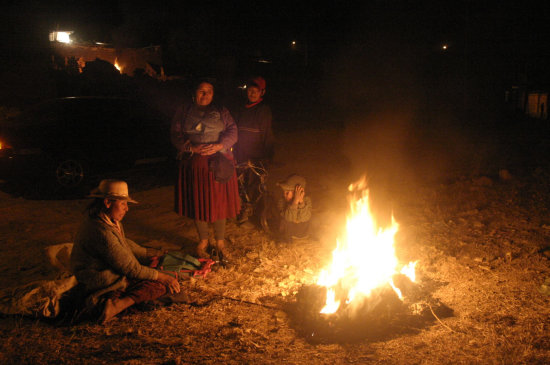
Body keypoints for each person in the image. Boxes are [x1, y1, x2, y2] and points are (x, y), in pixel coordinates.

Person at [70, 179, 180, 324]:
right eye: (123, 203)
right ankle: (117, 305)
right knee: (158, 285)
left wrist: (153, 253)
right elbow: (130, 268)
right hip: (99, 279)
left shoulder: (107, 220)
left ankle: (120, 302)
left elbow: (125, 245)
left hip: (108, 272)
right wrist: (164, 277)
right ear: (108, 202)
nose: (126, 208)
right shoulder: (100, 231)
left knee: (156, 278)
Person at [171, 79, 240, 263]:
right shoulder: (184, 111)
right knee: (198, 202)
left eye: (209, 91)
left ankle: (220, 243)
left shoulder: (221, 111)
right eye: (202, 91)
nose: (205, 95)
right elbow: (175, 135)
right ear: (194, 93)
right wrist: (191, 148)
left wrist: (219, 145)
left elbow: (233, 132)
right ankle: (203, 241)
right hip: (195, 165)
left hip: (219, 164)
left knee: (219, 203)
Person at [234, 76, 274, 164]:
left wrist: (268, 155)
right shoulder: (241, 108)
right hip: (240, 155)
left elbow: (267, 134)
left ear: (262, 92)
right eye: (250, 90)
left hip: (256, 157)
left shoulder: (263, 110)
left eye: (256, 91)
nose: (253, 94)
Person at [276, 174, 312, 241]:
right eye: (284, 192)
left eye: (287, 193)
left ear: (297, 192)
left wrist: (301, 202)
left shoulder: (306, 200)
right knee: (285, 220)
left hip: (303, 234)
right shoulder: (282, 201)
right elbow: (289, 218)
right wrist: (295, 202)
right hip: (288, 235)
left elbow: (305, 218)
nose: (284, 195)